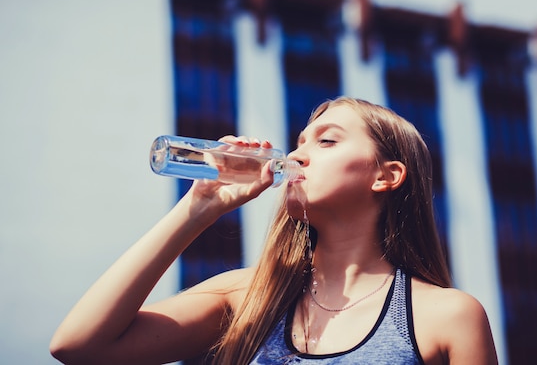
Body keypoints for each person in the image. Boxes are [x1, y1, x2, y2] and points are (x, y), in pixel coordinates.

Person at [50, 97, 498, 364]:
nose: (299, 155)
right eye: (300, 142)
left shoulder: (446, 316)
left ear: (386, 176)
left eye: (326, 141)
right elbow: (79, 347)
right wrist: (197, 209)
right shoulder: (249, 295)